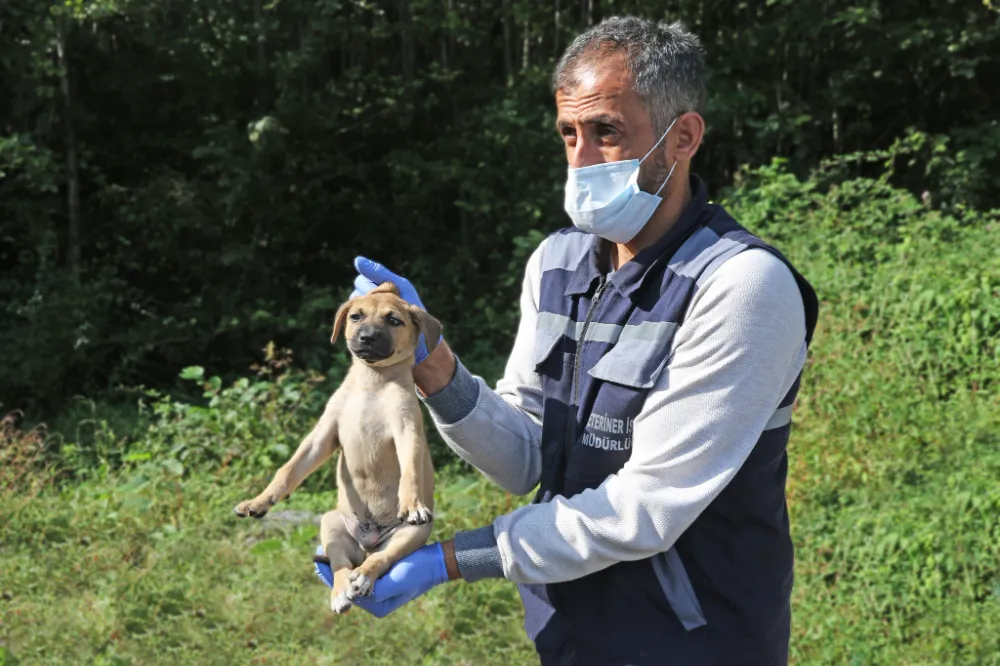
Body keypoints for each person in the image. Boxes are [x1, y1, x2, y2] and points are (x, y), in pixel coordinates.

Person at [320, 15, 819, 666]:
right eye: (568, 134)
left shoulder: (742, 285)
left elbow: (646, 508)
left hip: (694, 638)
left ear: (683, 137)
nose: (581, 160)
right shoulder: (555, 264)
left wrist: (445, 559)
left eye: (607, 132)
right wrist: (433, 369)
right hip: (568, 629)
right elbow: (528, 457)